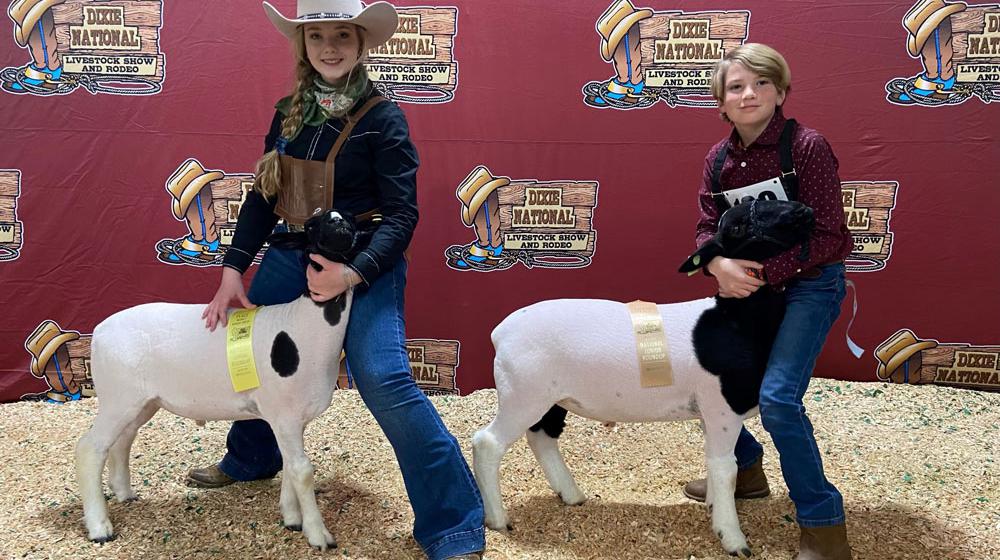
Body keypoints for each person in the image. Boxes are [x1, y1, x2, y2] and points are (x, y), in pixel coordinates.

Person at [187, 2, 485, 559]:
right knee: (246, 351)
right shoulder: (288, 114)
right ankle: (253, 457)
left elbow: (402, 216)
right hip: (291, 253)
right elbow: (263, 196)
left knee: (384, 379)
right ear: (302, 45)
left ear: (361, 42)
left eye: (341, 35)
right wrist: (233, 268)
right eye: (317, 35)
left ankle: (454, 524)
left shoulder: (384, 117)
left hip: (365, 262)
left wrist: (353, 273)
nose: (329, 46)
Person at [684, 43, 853, 560]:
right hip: (751, 285)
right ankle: (748, 469)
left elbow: (830, 237)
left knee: (778, 399)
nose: (749, 94)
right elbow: (706, 229)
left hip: (809, 284)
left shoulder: (806, 146)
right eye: (736, 87)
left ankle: (823, 524)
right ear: (721, 102)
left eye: (761, 83)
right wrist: (715, 264)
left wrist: (762, 274)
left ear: (779, 92)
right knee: (709, 375)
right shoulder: (718, 159)